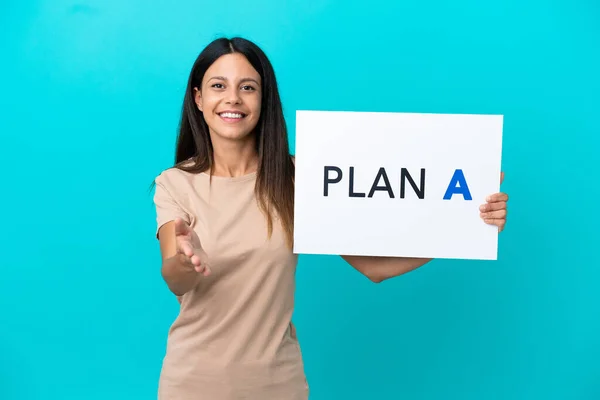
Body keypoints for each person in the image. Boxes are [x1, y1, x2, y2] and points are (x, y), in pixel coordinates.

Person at [152, 37, 509, 400]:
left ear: (264, 99)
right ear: (198, 98)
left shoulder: (296, 178)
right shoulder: (175, 184)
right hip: (192, 384)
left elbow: (375, 267)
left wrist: (465, 225)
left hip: (278, 385)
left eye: (248, 87)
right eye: (218, 86)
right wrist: (185, 259)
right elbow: (175, 278)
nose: (233, 98)